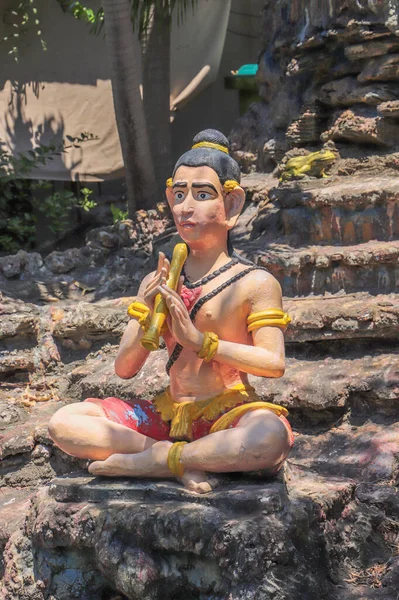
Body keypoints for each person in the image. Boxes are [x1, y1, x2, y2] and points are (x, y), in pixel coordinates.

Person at [48, 129, 293, 494]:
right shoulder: (159, 278)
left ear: (232, 205)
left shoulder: (254, 283)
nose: (185, 207)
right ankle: (175, 458)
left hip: (227, 416)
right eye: (178, 195)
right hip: (167, 413)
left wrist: (201, 342)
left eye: (202, 194)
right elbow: (124, 369)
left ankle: (154, 463)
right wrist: (146, 311)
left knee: (271, 437)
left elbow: (273, 363)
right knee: (64, 423)